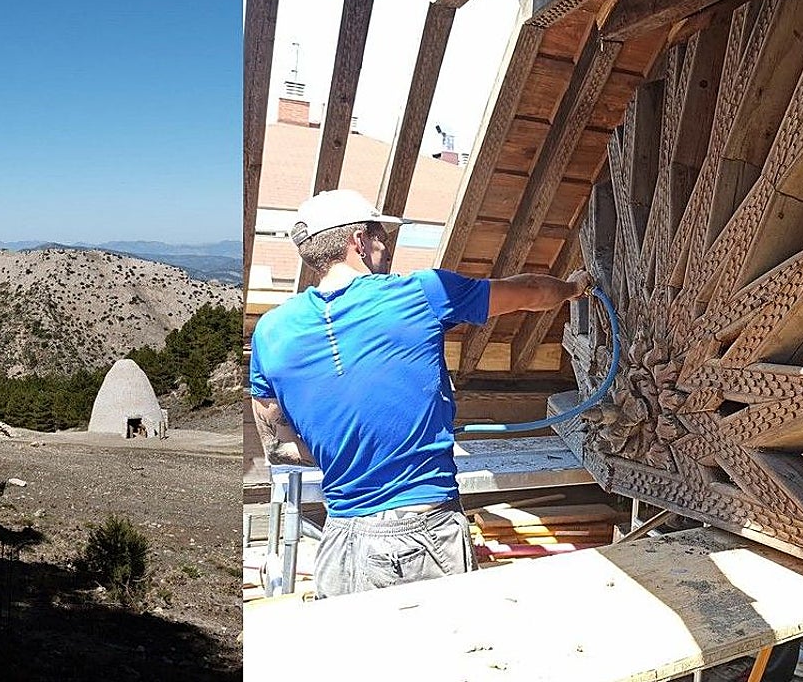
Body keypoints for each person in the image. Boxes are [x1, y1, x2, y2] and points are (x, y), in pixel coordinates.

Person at [249, 189, 590, 599]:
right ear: (358, 241)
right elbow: (530, 290)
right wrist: (573, 288)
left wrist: (347, 451)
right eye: (381, 238)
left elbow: (278, 446)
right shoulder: (421, 293)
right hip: (425, 536)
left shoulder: (270, 332)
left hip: (340, 543)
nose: (386, 249)